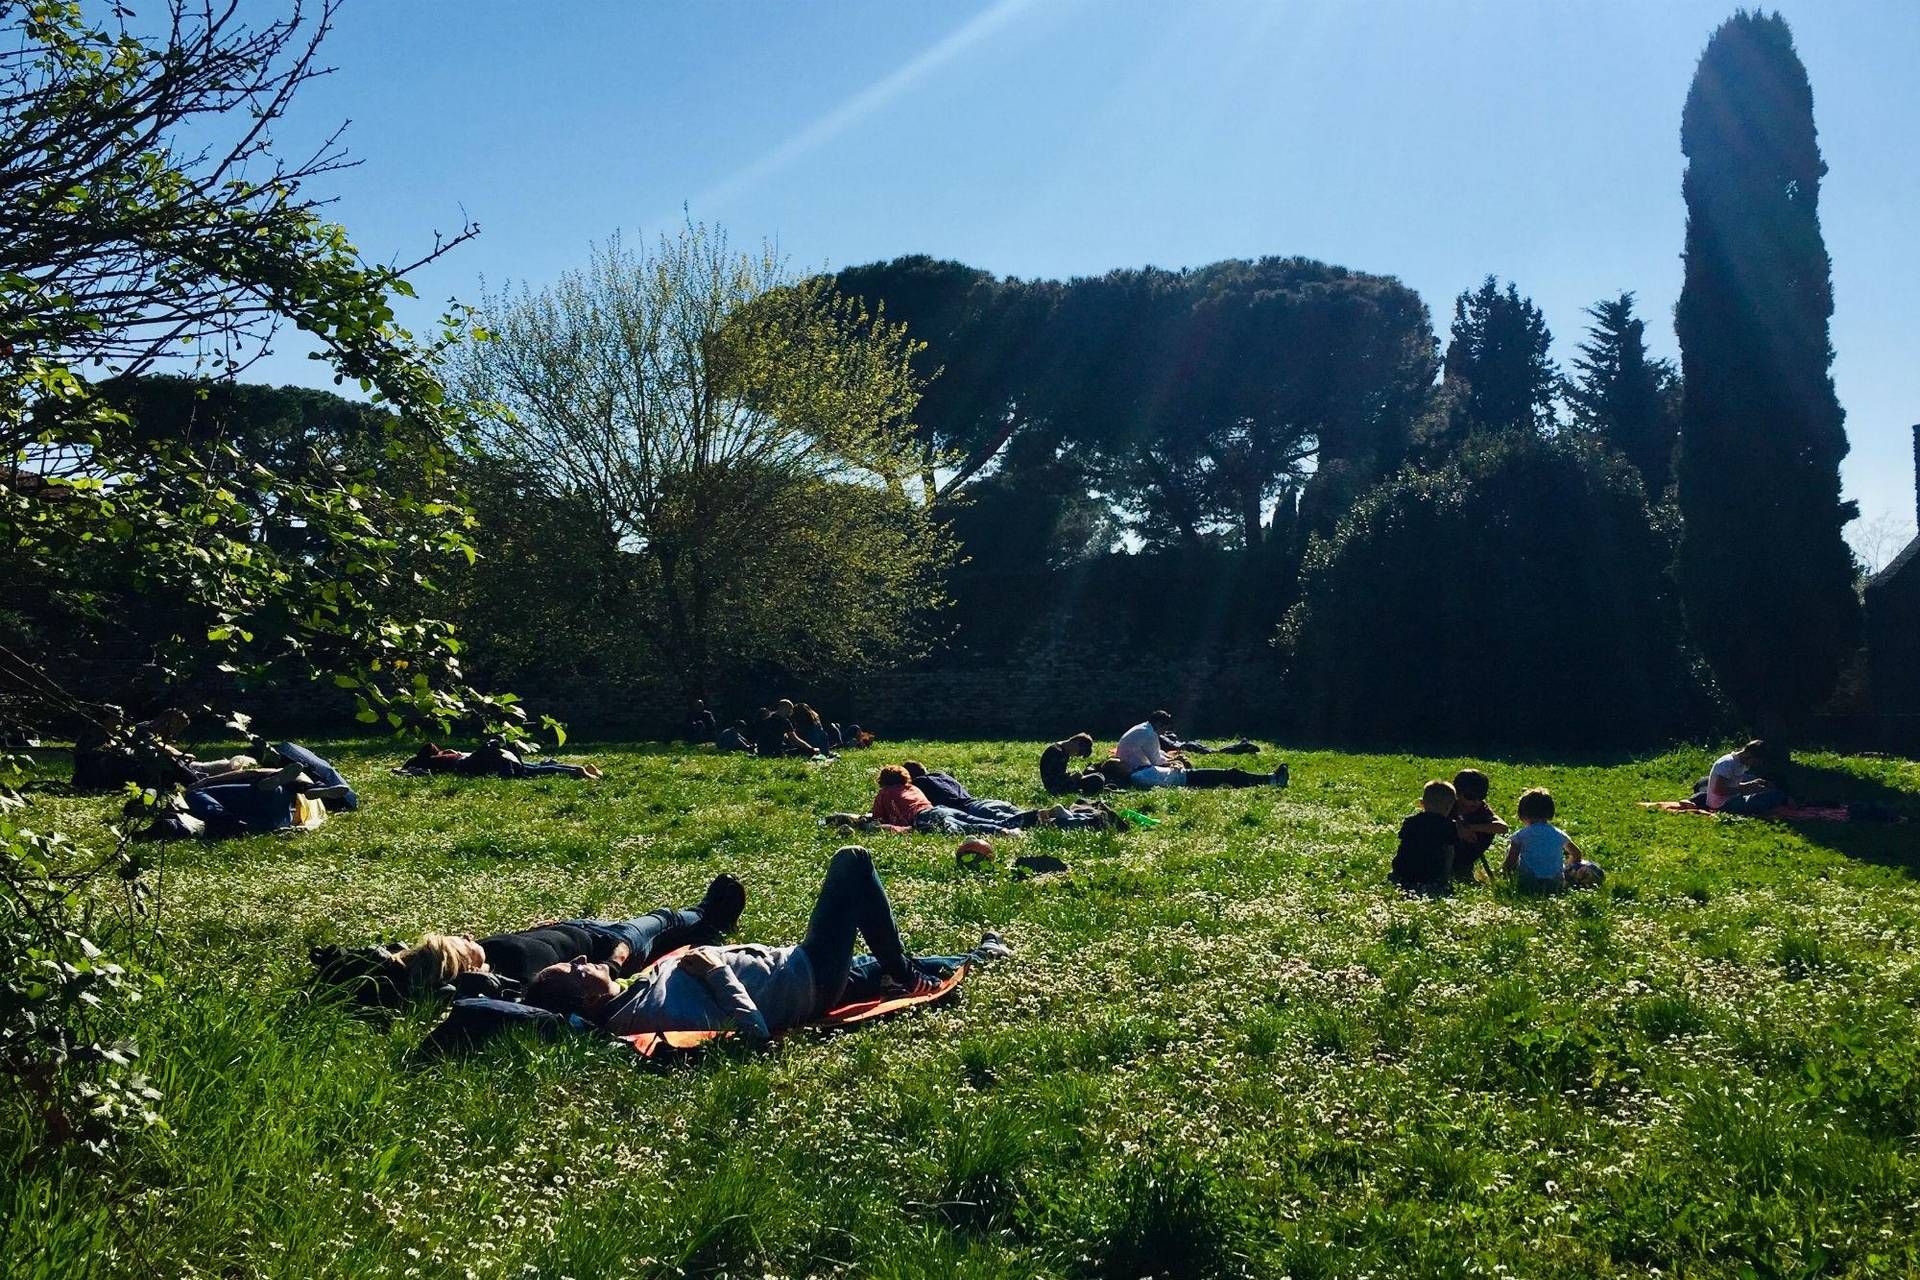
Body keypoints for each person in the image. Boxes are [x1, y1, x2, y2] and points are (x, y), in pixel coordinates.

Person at [525, 846, 965, 1041]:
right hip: (809, 977)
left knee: (887, 962)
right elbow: (753, 1030)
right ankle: (904, 975)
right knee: (852, 863)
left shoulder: (634, 993)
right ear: (582, 997)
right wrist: (716, 970)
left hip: (798, 964)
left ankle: (976, 954)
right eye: (574, 969)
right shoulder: (649, 1014)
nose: (582, 959)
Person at [386, 874, 748, 997]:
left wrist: (543, 927)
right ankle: (710, 916)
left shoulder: (490, 951)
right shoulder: (511, 977)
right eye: (461, 942)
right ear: (464, 964)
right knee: (665, 919)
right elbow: (577, 979)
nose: (467, 935)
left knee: (665, 930)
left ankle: (709, 925)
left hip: (580, 925)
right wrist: (614, 962)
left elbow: (531, 944)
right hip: (612, 944)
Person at [903, 760, 1112, 831]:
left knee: (1025, 823)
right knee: (1029, 818)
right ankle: (1084, 817)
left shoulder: (919, 784)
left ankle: (1086, 821)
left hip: (974, 810)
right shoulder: (940, 775)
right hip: (986, 801)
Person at [1113, 711, 1287, 790]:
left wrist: (1171, 761)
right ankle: (1272, 780)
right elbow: (1157, 762)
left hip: (1185, 776)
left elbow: (1157, 762)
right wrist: (1175, 762)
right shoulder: (1140, 772)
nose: (1164, 733)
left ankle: (1270, 779)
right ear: (1159, 724)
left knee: (1229, 775)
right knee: (1230, 775)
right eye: (1164, 729)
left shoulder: (1139, 770)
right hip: (1187, 778)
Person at [870, 764, 1034, 835]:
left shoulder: (884, 793)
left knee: (968, 828)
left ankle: (1004, 832)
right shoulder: (912, 787)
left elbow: (877, 818)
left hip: (925, 817)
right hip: (940, 808)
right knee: (972, 820)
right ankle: (1018, 824)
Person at [1503, 788, 1587, 892]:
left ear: (1522, 814)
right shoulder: (1559, 834)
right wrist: (1566, 867)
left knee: (1510, 848)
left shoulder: (1520, 835)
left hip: (1528, 882)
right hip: (1555, 884)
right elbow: (1577, 854)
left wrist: (1504, 875)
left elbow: (1511, 861)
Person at [397, 738, 602, 779]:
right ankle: (577, 770)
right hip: (471, 762)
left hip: (470, 764)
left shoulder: (435, 759)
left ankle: (578, 771)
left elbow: (409, 768)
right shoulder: (440, 757)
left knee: (531, 769)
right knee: (530, 768)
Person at [1391, 780, 1460, 893]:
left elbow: (1402, 846)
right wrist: (1445, 877)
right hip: (1431, 874)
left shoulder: (1410, 821)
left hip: (1404, 870)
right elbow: (1449, 852)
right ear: (1450, 807)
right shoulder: (1449, 826)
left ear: (1422, 803)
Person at [1449, 768, 1508, 881]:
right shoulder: (1450, 804)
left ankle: (1463, 866)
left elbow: (1503, 827)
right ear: (1457, 793)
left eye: (1481, 797)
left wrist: (1471, 828)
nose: (1476, 802)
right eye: (1470, 797)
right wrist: (1457, 827)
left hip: (1467, 852)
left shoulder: (1481, 809)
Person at [1703, 739, 1787, 815]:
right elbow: (1719, 790)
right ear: (1749, 755)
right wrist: (1745, 789)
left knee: (1770, 793)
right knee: (1773, 796)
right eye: (1756, 762)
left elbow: (1732, 785)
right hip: (1721, 804)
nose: (1756, 765)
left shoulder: (1741, 764)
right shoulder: (1727, 763)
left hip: (1732, 799)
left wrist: (1751, 784)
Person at [1040, 733, 1105, 796]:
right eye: (1079, 753)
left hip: (1061, 784)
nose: (1077, 755)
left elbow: (1059, 773)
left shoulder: (1063, 751)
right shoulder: (1055, 752)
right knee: (1096, 779)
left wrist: (1071, 775)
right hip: (1055, 788)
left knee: (1099, 776)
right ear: (1077, 742)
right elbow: (1053, 779)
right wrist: (1071, 778)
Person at [754, 700, 820, 759]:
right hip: (776, 753)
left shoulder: (766, 719)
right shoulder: (784, 722)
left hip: (762, 751)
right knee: (804, 751)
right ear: (785, 708)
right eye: (790, 710)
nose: (790, 713)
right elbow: (794, 739)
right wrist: (811, 748)